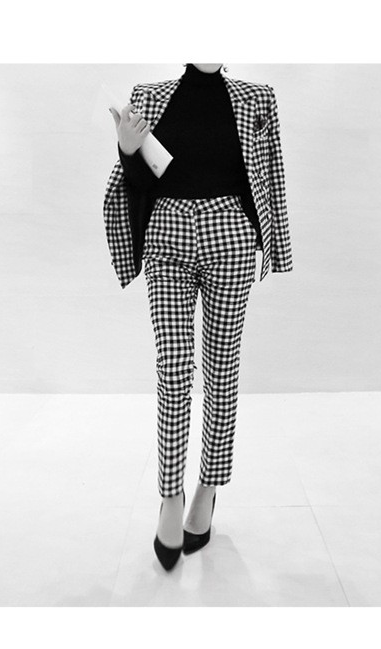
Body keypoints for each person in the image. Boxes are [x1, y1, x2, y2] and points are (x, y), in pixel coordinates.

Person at [104, 63, 292, 571]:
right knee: (173, 368)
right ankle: (170, 494)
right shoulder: (150, 94)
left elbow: (271, 174)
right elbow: (138, 182)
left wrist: (276, 243)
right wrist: (126, 148)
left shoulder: (258, 97)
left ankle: (207, 488)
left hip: (231, 233)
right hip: (167, 232)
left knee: (221, 367)